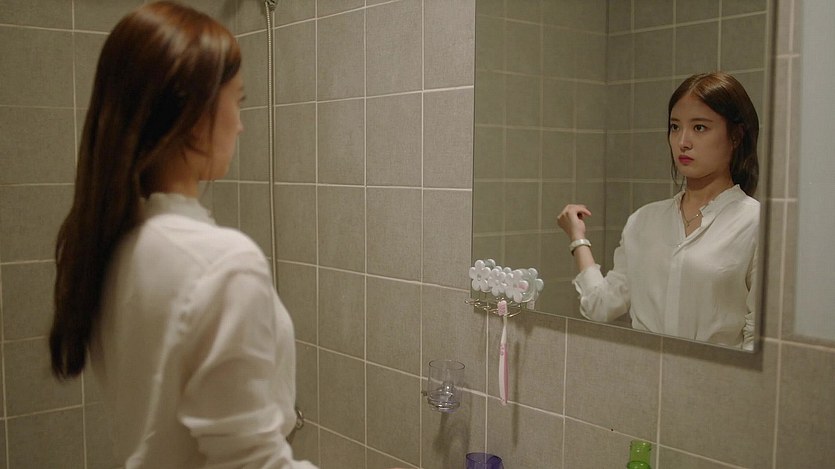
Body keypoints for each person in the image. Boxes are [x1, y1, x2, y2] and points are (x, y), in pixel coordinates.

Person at [49, 2, 318, 467]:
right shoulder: (221, 263)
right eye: (237, 100)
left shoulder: (115, 245)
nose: (240, 124)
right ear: (193, 113)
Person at [557, 72, 760, 350]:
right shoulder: (644, 220)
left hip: (716, 376)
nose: (683, 141)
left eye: (700, 127)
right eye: (675, 127)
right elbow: (601, 306)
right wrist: (578, 238)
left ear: (736, 136)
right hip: (643, 372)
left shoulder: (755, 223)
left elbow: (758, 340)